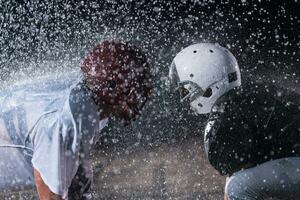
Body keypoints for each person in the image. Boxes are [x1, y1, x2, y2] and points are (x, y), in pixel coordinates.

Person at [0, 40, 153, 200]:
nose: (138, 98)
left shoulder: (87, 94)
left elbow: (72, 171)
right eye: (133, 90)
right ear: (112, 88)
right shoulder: (73, 117)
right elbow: (46, 184)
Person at [167, 43, 300, 200]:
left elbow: (229, 169)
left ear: (208, 86)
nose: (184, 97)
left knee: (237, 186)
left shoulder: (226, 112)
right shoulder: (251, 93)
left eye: (186, 90)